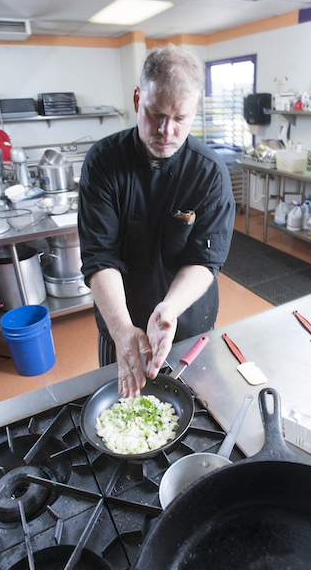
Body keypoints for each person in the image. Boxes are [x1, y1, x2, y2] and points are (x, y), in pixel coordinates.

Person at [78, 44, 235, 398]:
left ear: (195, 111)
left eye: (180, 119)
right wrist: (121, 329)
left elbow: (205, 259)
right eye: (155, 114)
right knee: (120, 405)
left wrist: (170, 308)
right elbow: (99, 255)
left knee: (197, 404)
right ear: (137, 99)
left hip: (185, 315)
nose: (166, 131)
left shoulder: (209, 172)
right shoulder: (103, 161)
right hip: (121, 312)